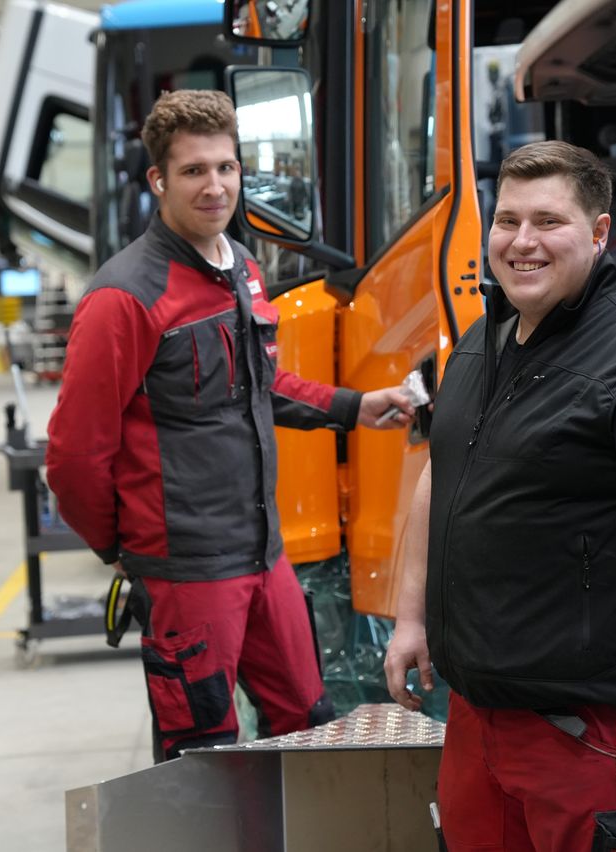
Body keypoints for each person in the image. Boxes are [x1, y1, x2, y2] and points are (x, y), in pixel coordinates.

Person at [384, 140, 616, 851]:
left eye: (548, 221)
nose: (523, 242)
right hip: (481, 711)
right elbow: (441, 474)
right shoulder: (482, 343)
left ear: (599, 231)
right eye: (507, 220)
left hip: (595, 726)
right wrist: (411, 617)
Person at [46, 89, 414, 763]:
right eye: (193, 170)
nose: (214, 186)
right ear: (159, 180)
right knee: (202, 750)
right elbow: (74, 455)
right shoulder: (124, 297)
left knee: (307, 723)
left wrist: (353, 406)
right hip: (187, 567)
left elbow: (259, 386)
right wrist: (117, 546)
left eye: (226, 167)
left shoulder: (240, 266)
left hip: (264, 554)